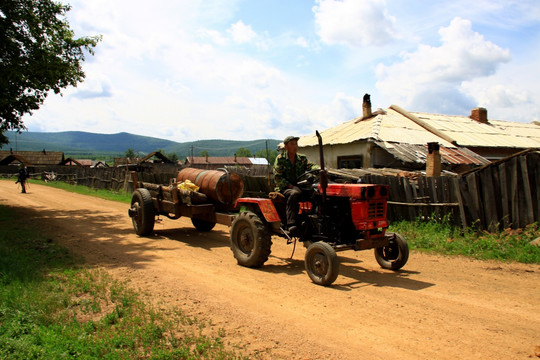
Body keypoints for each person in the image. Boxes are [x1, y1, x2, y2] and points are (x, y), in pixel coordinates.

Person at [273, 136, 318, 234]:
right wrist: (291, 186)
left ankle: (313, 219)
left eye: (296, 144)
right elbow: (278, 177)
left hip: (300, 186)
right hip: (284, 188)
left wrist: (319, 168)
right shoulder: (280, 159)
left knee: (316, 193)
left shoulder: (302, 158)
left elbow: (311, 166)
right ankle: (291, 223)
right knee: (294, 193)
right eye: (292, 144)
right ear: (286, 146)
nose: (295, 146)